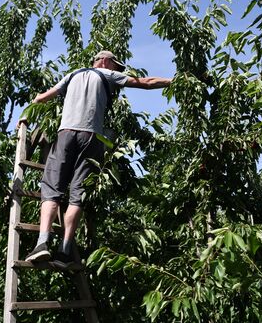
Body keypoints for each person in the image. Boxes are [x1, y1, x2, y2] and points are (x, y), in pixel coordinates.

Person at [20, 50, 172, 268]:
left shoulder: (72, 75)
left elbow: (40, 98)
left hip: (66, 134)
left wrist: (24, 118)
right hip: (91, 137)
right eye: (115, 66)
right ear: (104, 61)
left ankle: (42, 244)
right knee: (77, 195)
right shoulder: (107, 75)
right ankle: (64, 252)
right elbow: (147, 82)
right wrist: (173, 81)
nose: (116, 71)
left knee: (52, 188)